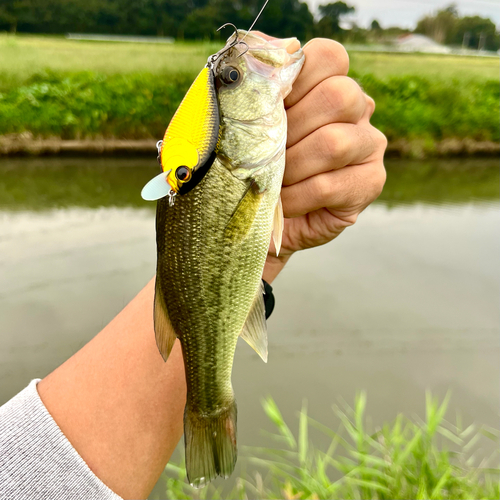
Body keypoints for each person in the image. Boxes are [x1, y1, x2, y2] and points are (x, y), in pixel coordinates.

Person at [0, 35, 387, 500]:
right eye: (232, 78)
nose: (239, 64)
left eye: (230, 76)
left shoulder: (227, 159)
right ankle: (208, 405)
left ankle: (207, 413)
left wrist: (269, 255)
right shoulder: (221, 159)